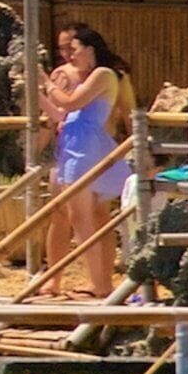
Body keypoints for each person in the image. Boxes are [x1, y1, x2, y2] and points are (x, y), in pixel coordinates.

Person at [38, 23, 136, 296]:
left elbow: (70, 103)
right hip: (72, 148)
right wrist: (36, 91)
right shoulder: (87, 79)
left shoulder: (104, 75)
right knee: (73, 216)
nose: (69, 56)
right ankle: (90, 281)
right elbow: (62, 115)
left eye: (74, 49)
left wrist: (46, 82)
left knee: (82, 218)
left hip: (86, 150)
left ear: (89, 49)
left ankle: (100, 283)